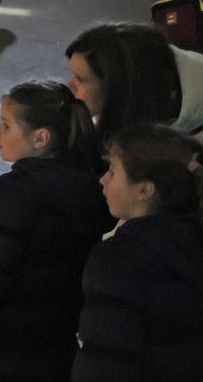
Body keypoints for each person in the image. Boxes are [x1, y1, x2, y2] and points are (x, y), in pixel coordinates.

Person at [0, 81, 112, 380]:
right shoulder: (93, 185)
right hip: (55, 342)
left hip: (3, 345)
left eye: (6, 126)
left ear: (40, 138)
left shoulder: (14, 194)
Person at [74, 124, 203, 379]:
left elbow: (104, 361)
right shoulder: (192, 240)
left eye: (112, 171)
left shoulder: (118, 259)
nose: (102, 179)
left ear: (144, 190)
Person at [64, 22, 203, 142]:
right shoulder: (146, 72)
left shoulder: (188, 148)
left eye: (80, 79)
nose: (68, 86)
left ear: (117, 90)